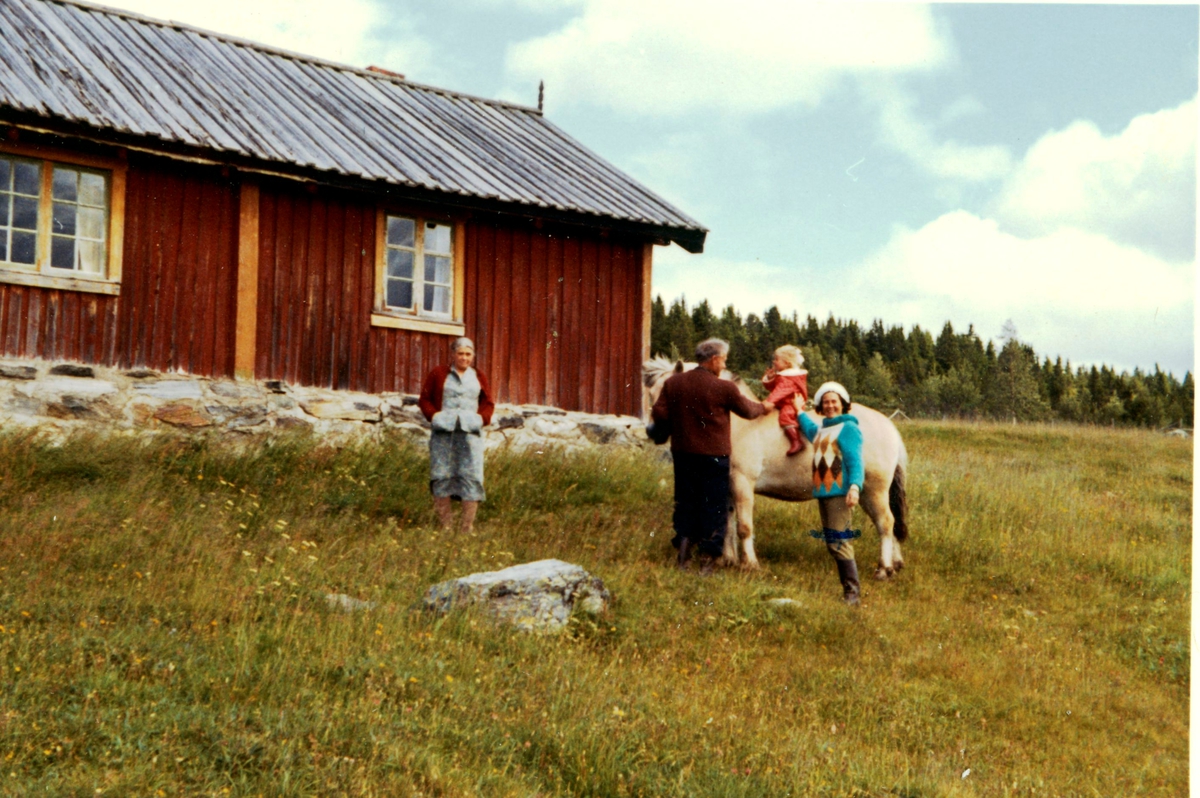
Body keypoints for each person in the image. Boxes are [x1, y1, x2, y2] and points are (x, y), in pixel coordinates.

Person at [651, 338, 766, 569]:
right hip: (714, 457)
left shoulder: (674, 383)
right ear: (713, 360)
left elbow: (660, 413)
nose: (724, 366)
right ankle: (707, 562)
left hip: (683, 454)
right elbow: (748, 410)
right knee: (713, 507)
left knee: (685, 503)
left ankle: (683, 557)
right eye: (723, 361)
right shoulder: (724, 387)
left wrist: (682, 424)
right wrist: (767, 407)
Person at [418, 337, 495, 533]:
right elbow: (425, 398)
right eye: (460, 353)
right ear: (453, 355)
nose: (464, 357)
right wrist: (434, 416)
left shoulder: (478, 375)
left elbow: (488, 403)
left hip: (470, 434)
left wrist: (481, 419)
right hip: (444, 432)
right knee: (441, 475)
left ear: (473, 356)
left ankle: (466, 528)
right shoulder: (438, 373)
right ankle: (446, 527)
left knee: (472, 476)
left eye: (468, 354)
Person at [799, 381, 864, 604]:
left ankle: (852, 594)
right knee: (833, 542)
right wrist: (798, 411)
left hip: (839, 492)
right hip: (825, 493)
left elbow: (856, 462)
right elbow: (809, 430)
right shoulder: (824, 429)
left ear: (843, 404)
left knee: (839, 541)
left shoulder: (848, 428)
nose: (830, 406)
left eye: (834, 401)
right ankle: (849, 591)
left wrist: (855, 487)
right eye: (825, 402)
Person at [760, 344, 809, 456]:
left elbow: (779, 391)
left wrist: (769, 401)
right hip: (783, 402)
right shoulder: (783, 375)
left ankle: (796, 441)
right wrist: (769, 378)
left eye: (777, 359)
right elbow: (773, 388)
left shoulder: (790, 378)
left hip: (792, 404)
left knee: (785, 416)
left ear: (786, 363)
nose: (774, 362)